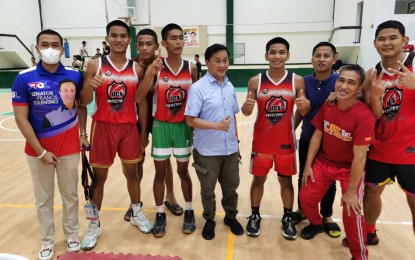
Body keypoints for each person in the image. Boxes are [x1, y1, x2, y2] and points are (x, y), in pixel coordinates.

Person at [11, 29, 87, 260]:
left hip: (69, 149)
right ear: (37, 48)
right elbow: (21, 119)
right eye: (45, 44)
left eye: (55, 45)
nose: (50, 49)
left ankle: (72, 234)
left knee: (70, 195)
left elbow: (82, 106)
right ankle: (47, 242)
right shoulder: (24, 77)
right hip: (37, 151)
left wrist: (83, 133)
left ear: (62, 49)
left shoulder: (75, 75)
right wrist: (41, 151)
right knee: (43, 199)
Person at [79, 20, 153, 251]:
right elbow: (84, 101)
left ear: (129, 40)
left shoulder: (137, 68)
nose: (119, 39)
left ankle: (136, 213)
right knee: (99, 179)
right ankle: (94, 225)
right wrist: (91, 85)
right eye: (114, 35)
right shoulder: (94, 65)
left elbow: (140, 102)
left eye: (123, 35)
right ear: (107, 38)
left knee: (132, 173)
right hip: (103, 127)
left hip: (129, 128)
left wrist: (143, 133)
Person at [300, 64, 375, 260]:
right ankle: (316, 223)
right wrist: (308, 166)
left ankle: (359, 256)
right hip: (324, 163)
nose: (343, 86)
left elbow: (360, 157)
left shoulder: (363, 116)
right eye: (341, 80)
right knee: (305, 197)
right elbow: (317, 135)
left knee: (351, 212)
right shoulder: (329, 104)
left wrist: (351, 191)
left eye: (351, 83)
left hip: (350, 169)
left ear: (359, 89)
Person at [241, 37, 307, 240]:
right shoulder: (255, 80)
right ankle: (254, 215)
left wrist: (303, 109)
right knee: (258, 179)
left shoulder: (297, 80)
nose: (277, 56)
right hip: (261, 142)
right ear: (266, 56)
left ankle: (287, 217)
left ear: (288, 55)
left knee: (285, 181)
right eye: (272, 52)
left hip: (285, 144)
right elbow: (245, 111)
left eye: (281, 52)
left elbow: (303, 109)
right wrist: (246, 108)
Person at [356, 20, 415, 246]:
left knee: (413, 201)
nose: (387, 43)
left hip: (411, 150)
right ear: (375, 43)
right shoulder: (373, 74)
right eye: (382, 39)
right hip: (380, 148)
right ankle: (370, 231)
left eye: (393, 38)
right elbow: (375, 116)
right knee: (371, 193)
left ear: (405, 41)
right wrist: (373, 97)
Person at [135, 23, 198, 238]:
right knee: (160, 173)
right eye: (173, 38)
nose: (178, 42)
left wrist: (196, 127)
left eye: (181, 38)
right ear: (163, 43)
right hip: (160, 126)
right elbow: (139, 97)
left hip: (183, 127)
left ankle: (189, 210)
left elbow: (197, 100)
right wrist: (150, 74)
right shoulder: (155, 66)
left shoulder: (191, 68)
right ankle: (160, 212)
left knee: (183, 172)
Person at [123, 28, 183, 221]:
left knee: (163, 161)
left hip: (160, 119)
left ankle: (170, 196)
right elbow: (138, 99)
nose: (144, 47)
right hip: (137, 119)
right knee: (136, 161)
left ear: (157, 46)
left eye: (149, 44)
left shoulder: (166, 65)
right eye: (140, 44)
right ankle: (135, 203)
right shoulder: (131, 66)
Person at [185, 43, 243, 240]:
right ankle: (209, 219)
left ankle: (230, 216)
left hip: (230, 150)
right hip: (207, 151)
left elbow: (233, 117)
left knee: (231, 187)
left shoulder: (230, 85)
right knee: (208, 190)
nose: (222, 64)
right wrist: (216, 126)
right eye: (217, 60)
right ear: (207, 62)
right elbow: (190, 120)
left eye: (225, 60)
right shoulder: (198, 88)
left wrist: (237, 142)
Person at [292, 42, 340, 238]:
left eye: (326, 55)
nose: (321, 59)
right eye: (317, 55)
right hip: (307, 137)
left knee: (329, 180)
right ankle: (303, 209)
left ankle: (326, 215)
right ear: (311, 59)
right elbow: (300, 111)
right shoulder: (304, 82)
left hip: (332, 142)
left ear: (334, 59)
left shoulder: (340, 82)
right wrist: (290, 130)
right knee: (304, 174)